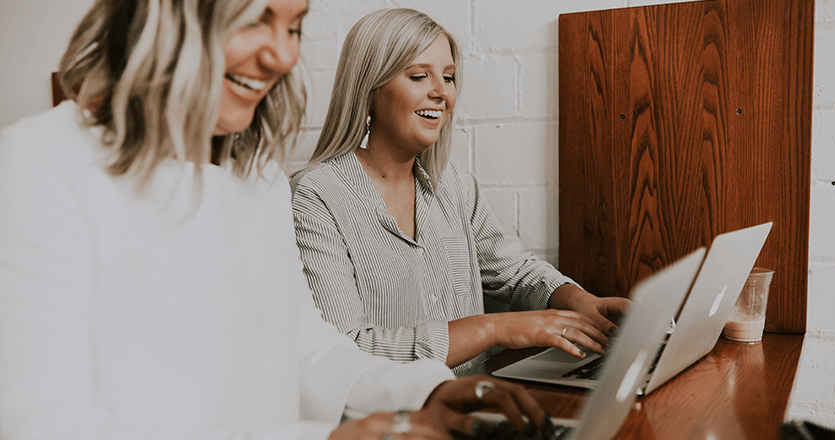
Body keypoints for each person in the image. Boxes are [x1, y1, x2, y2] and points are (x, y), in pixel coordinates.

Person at [0, 0, 547, 438]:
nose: (283, 56)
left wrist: (423, 392)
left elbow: (307, 347)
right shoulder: (40, 165)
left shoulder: (255, 174)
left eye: (295, 26)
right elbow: (45, 425)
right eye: (256, 19)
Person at [290, 8, 631, 375]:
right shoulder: (315, 196)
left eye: (449, 77)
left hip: (475, 403)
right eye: (420, 76)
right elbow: (348, 349)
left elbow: (513, 271)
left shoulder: (453, 184)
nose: (442, 92)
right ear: (369, 89)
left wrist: (580, 301)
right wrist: (495, 328)